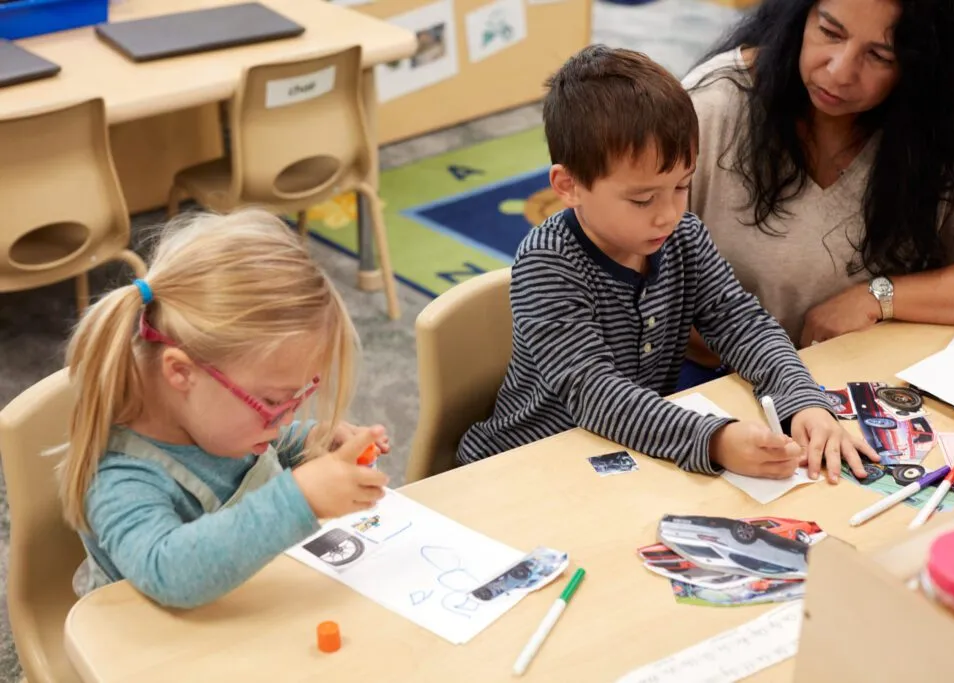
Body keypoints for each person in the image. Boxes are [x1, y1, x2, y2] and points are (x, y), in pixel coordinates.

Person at [457, 45, 877, 484]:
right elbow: (594, 395)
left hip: (618, 462)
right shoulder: (548, 265)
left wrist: (802, 400)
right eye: (642, 199)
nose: (668, 214)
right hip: (519, 468)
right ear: (570, 186)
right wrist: (714, 441)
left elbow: (741, 323)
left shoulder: (684, 238)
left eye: (681, 186)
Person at [58, 208, 390, 609]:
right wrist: (299, 498)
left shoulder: (217, 422)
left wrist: (311, 439)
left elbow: (253, 457)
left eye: (294, 399)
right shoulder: (121, 477)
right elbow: (170, 573)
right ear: (181, 372)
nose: (284, 417)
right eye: (271, 401)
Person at [682, 0, 954, 362]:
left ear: (918, 65)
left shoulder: (942, 127)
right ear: (799, 18)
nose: (839, 71)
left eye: (879, 56)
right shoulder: (711, 105)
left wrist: (879, 297)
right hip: (724, 377)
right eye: (830, 33)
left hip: (871, 374)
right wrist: (773, 363)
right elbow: (626, 276)